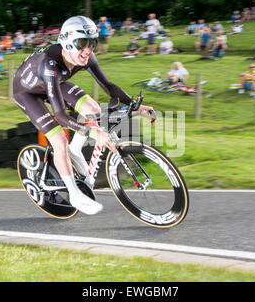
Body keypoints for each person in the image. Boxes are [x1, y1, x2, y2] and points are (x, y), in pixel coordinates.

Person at [13, 16, 154, 215]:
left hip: (54, 83)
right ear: (68, 43)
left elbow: (108, 86)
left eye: (92, 43)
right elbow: (61, 116)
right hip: (27, 93)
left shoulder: (83, 57)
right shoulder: (49, 64)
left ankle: (75, 150)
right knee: (59, 140)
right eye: (82, 43)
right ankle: (74, 193)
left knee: (94, 110)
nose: (88, 49)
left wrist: (136, 106)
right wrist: (94, 134)